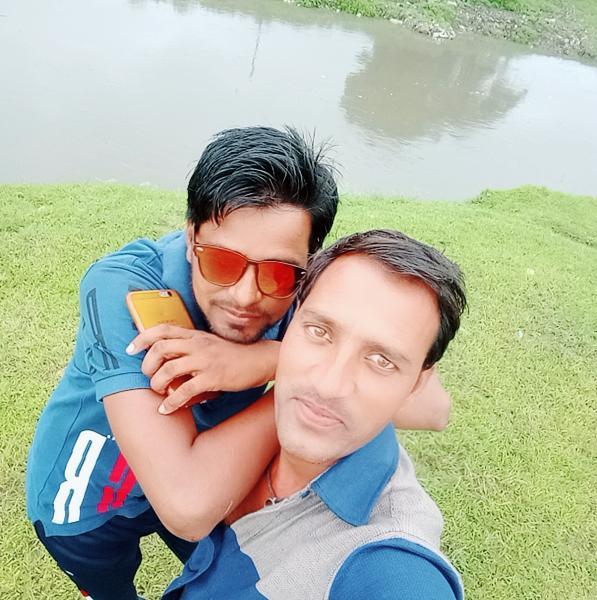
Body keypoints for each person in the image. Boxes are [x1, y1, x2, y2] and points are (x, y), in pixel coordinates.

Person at [26, 127, 451, 600]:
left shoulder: (305, 295)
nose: (247, 296)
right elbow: (186, 504)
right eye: (222, 263)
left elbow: (433, 408)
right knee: (109, 589)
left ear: (308, 263)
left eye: (278, 271)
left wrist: (261, 362)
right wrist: (292, 372)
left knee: (220, 565)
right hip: (88, 500)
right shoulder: (124, 285)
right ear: (192, 237)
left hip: (212, 470)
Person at [157, 229, 467, 599]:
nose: (329, 385)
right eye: (319, 331)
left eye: (381, 360)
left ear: (417, 382)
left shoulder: (391, 568)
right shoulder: (255, 424)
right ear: (293, 321)